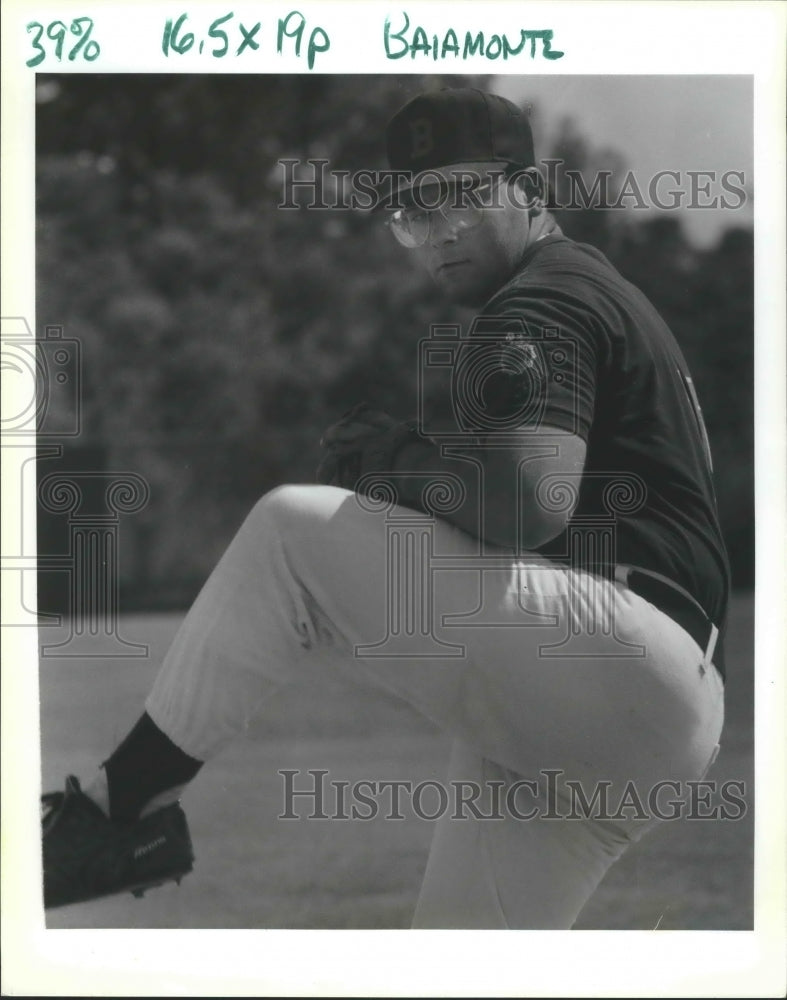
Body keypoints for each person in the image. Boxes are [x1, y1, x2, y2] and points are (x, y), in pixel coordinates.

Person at [42, 88, 729, 929]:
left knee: (291, 532)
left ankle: (122, 814)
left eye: (461, 198)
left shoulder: (541, 297)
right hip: (626, 706)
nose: (437, 232)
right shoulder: (595, 289)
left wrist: (397, 464)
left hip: (618, 652)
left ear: (528, 189)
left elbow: (528, 502)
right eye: (412, 211)